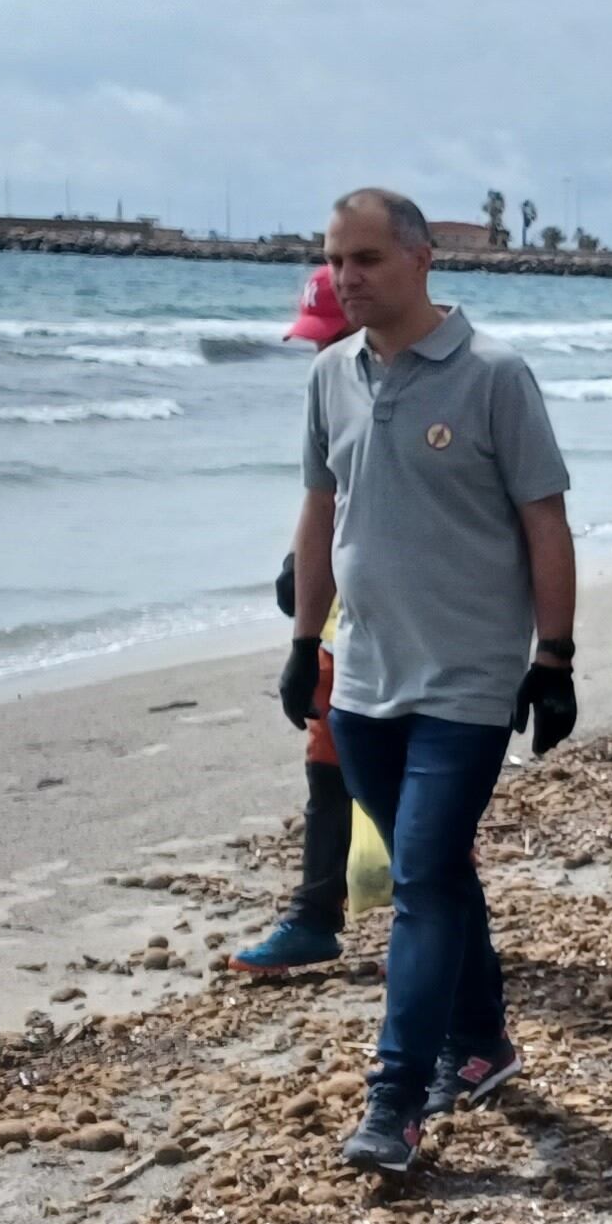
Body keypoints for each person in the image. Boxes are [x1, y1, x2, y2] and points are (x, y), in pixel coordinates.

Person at [286, 190, 578, 1174]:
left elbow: (546, 520)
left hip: (467, 680)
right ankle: (484, 1040)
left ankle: (398, 1096)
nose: (348, 277)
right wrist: (302, 642)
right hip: (364, 677)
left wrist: (556, 656)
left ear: (420, 260)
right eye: (336, 260)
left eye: (366, 257)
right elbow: (321, 512)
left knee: (418, 878)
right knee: (438, 870)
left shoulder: (494, 374)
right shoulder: (332, 375)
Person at [237, 267, 359, 975]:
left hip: (410, 633)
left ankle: (438, 916)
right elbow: (322, 498)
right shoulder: (331, 393)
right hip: (342, 636)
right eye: (315, 341)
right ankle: (315, 915)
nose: (321, 353)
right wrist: (301, 631)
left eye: (331, 337)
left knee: (412, 778)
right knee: (327, 769)